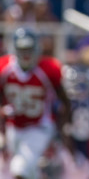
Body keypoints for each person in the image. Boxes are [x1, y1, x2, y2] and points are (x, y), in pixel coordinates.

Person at [0, 27, 71, 179]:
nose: (26, 54)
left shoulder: (48, 69)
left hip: (39, 126)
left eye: (29, 49)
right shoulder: (4, 68)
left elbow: (64, 101)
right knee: (29, 172)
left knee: (20, 168)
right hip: (13, 127)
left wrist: (63, 128)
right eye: (22, 49)